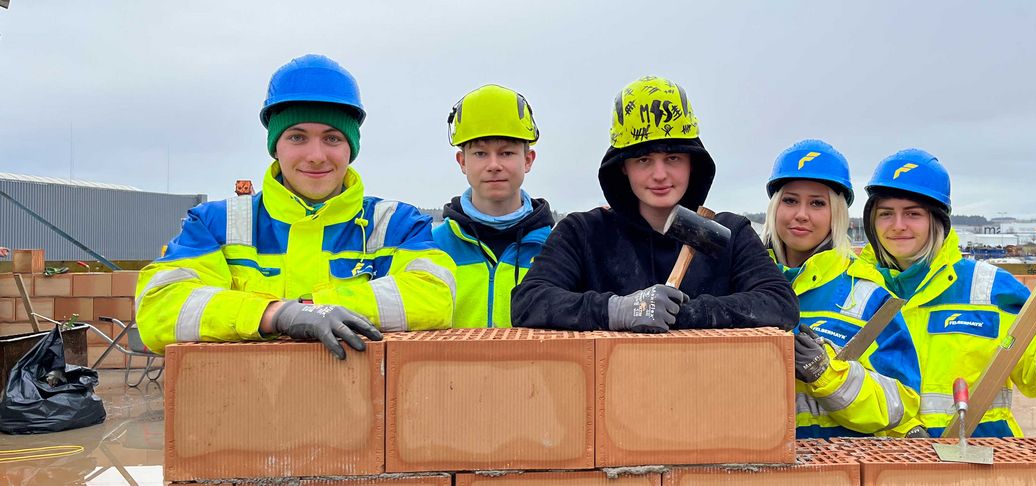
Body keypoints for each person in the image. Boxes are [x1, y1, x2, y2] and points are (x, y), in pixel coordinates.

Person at [136, 54, 457, 359]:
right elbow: (158, 307)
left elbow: (435, 297)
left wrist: (314, 307)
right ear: (275, 146)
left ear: (351, 147)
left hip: (360, 409)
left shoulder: (396, 223)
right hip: (245, 406)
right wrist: (278, 314)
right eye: (297, 137)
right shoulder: (213, 224)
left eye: (332, 138)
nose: (316, 155)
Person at [857, 148, 1036, 437]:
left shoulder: (989, 288)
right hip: (881, 466)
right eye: (886, 214)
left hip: (980, 461)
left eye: (913, 214)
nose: (898, 225)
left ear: (936, 220)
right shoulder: (852, 288)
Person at [512, 75, 797, 332]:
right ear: (623, 167)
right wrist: (619, 310)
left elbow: (779, 304)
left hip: (707, 386)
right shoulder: (583, 233)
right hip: (610, 388)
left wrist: (689, 314)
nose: (659, 175)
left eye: (672, 158)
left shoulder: (731, 233)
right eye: (643, 160)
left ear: (692, 163)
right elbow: (529, 303)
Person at [763, 139, 924, 438]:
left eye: (817, 203)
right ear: (774, 208)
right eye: (790, 200)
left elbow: (901, 404)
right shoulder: (744, 287)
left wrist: (828, 375)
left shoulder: (868, 297)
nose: (801, 213)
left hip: (836, 468)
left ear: (836, 213)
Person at [432, 85, 554, 328]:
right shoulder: (433, 247)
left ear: (528, 160)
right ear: (462, 161)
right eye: (480, 154)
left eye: (507, 153)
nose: (494, 165)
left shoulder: (555, 248)